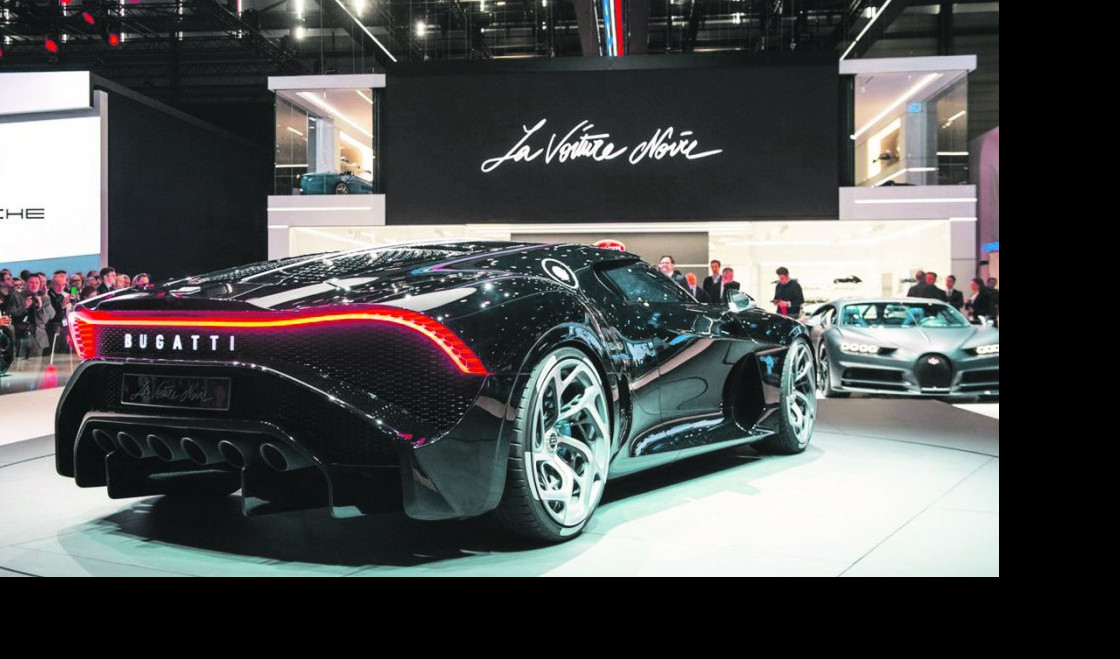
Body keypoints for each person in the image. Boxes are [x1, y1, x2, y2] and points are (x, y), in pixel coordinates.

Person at [8, 274, 56, 368]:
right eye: (31, 282)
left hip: (38, 336)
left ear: (40, 284)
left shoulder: (45, 298)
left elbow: (50, 317)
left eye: (37, 283)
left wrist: (40, 307)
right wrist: (24, 307)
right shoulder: (17, 295)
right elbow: (11, 313)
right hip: (20, 336)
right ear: (26, 283)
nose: (34, 285)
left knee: (35, 368)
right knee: (18, 367)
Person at [47, 270, 72, 355]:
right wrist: (61, 307)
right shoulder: (47, 296)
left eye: (63, 285)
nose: (61, 287)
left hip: (63, 329)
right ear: (52, 284)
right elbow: (50, 316)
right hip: (51, 331)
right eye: (58, 285)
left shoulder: (63, 295)